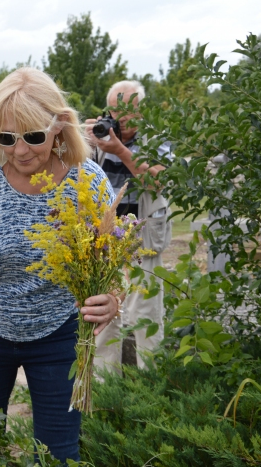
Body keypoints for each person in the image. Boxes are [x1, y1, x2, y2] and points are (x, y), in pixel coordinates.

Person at [0, 67, 119, 464]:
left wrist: (114, 297)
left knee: (57, 454)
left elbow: (110, 262)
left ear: (59, 126)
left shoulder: (90, 182)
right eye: (6, 138)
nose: (21, 150)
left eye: (33, 136)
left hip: (60, 334)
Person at [84, 80, 172, 373]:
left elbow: (158, 181)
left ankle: (152, 391)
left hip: (141, 242)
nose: (118, 118)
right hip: (105, 243)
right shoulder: (99, 138)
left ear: (140, 111)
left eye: (125, 112)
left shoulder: (156, 138)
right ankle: (107, 398)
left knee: (145, 317)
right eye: (113, 111)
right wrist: (81, 143)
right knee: (105, 324)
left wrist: (119, 149)